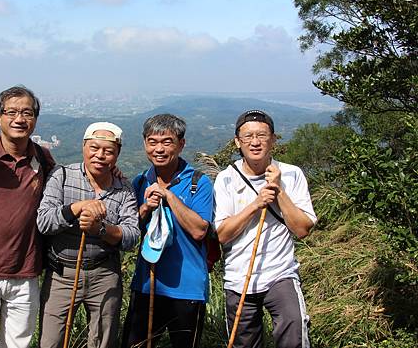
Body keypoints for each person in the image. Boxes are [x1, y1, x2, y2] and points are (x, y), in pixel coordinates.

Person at [214, 110, 316, 348]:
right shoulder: (226, 179)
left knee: (294, 332)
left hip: (281, 274)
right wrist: (256, 205)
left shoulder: (291, 174)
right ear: (238, 142)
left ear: (273, 139)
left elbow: (302, 229)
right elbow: (223, 234)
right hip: (239, 277)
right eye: (248, 136)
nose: (255, 142)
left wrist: (279, 190)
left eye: (262, 135)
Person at [0, 85, 55, 348]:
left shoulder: (42, 158)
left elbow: (69, 180)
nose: (19, 119)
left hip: (26, 271)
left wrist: (110, 171)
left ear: (35, 119)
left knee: (19, 343)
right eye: (11, 112)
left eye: (27, 113)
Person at [37, 122, 140, 348]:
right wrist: (76, 208)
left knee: (102, 340)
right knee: (51, 341)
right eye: (94, 148)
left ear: (117, 154)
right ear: (84, 147)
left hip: (104, 273)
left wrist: (100, 230)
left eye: (108, 151)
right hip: (61, 274)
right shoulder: (61, 176)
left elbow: (132, 237)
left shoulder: (124, 188)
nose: (100, 155)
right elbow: (44, 222)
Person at [121, 114, 214, 348]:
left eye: (167, 142)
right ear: (144, 143)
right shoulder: (141, 181)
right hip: (146, 284)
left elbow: (199, 230)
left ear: (181, 144)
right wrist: (144, 208)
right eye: (152, 142)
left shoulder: (198, 182)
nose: (159, 149)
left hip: (187, 288)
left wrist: (169, 196)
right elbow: (132, 231)